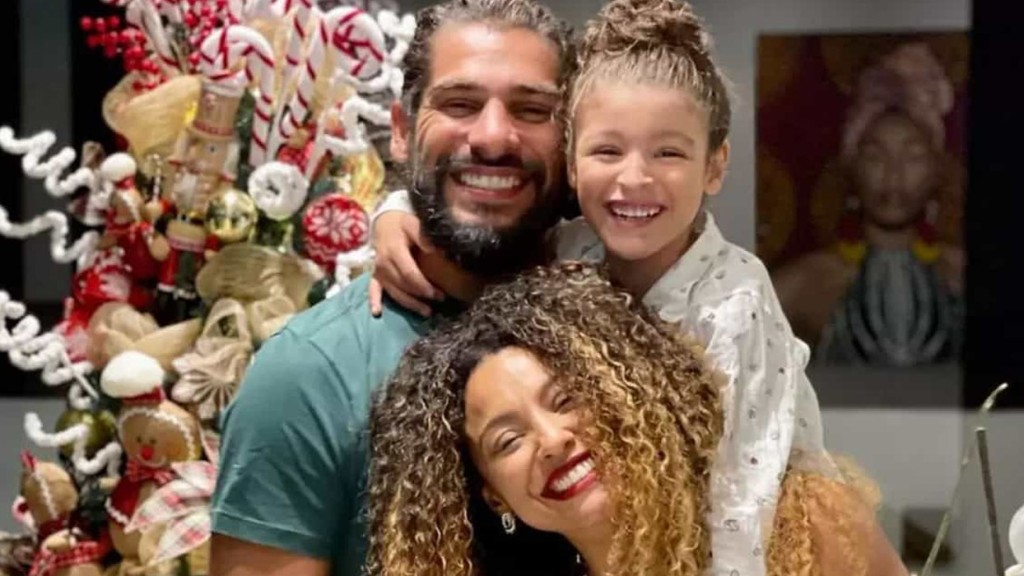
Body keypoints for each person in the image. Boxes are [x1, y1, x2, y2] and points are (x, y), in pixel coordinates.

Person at [370, 0, 832, 573]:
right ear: (571, 163)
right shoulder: (571, 251)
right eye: (607, 151)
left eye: (668, 152)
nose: (634, 178)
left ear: (715, 167)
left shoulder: (734, 301)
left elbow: (742, 504)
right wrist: (392, 211)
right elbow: (474, 226)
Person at [208, 1, 575, 574]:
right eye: (460, 104)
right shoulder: (308, 377)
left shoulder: (620, 321)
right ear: (401, 132)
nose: (493, 137)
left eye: (532, 110)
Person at [368, 261, 909, 576]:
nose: (552, 440)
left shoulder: (802, 524)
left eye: (565, 400)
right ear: (494, 496)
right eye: (508, 441)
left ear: (622, 395)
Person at [770, 42, 964, 366]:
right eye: (875, 156)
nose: (893, 174)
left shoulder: (959, 275)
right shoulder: (803, 283)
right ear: (852, 166)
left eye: (913, 156)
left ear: (936, 170)